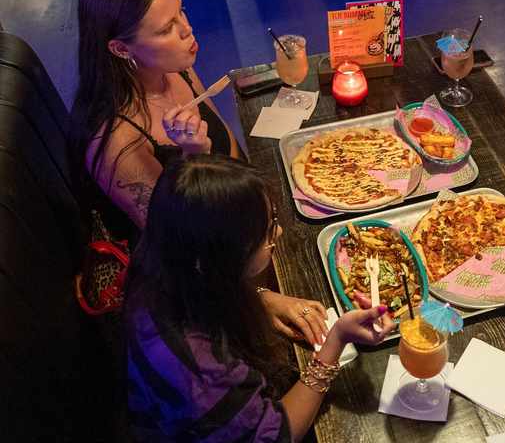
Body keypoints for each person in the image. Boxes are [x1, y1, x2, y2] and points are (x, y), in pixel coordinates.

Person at [126, 154, 395, 442]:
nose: (278, 232)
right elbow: (277, 433)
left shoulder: (166, 253)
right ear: (223, 256)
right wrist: (335, 342)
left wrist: (263, 297)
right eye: (266, 232)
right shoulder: (197, 368)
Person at [70, 0, 242, 239]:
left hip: (237, 214)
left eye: (181, 11)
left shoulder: (175, 67)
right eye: (165, 29)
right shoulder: (116, 141)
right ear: (121, 49)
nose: (187, 29)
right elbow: (178, 238)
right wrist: (194, 158)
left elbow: (229, 146)